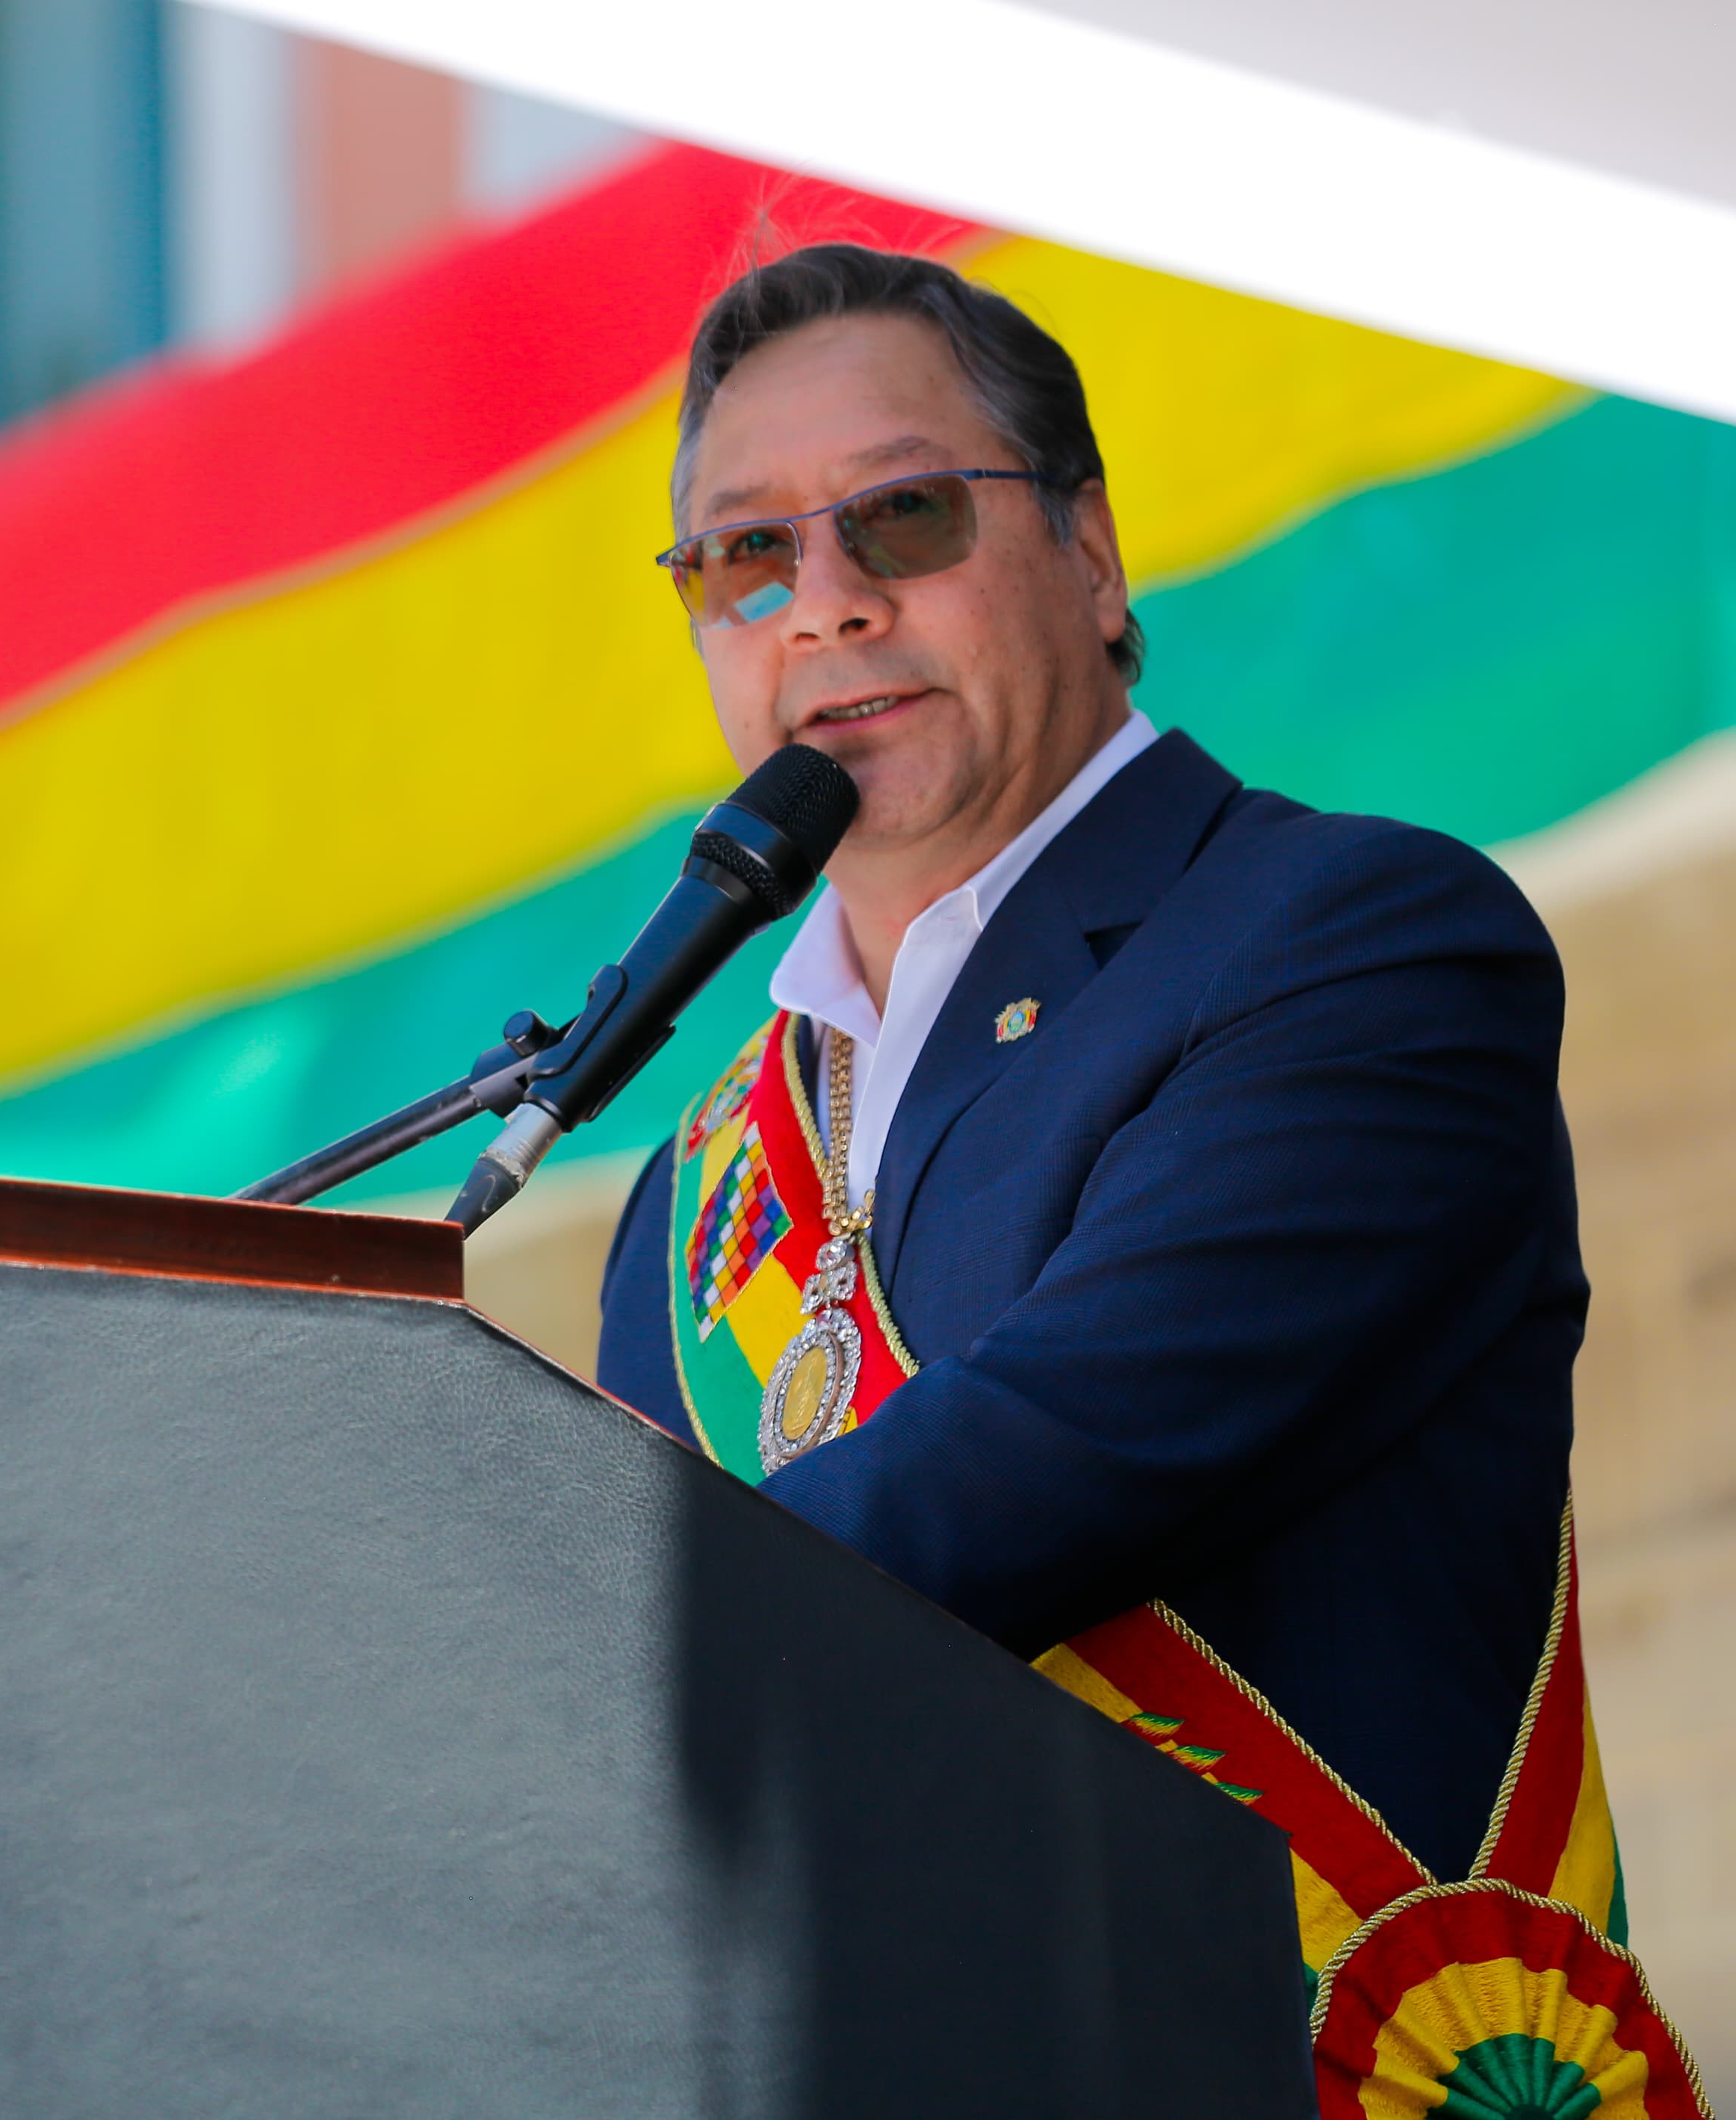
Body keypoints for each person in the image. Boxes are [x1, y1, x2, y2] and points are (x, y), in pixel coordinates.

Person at [596, 244, 1703, 2107]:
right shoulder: (684, 1195)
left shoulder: (1351, 939)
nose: (825, 601)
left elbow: (1056, 1449)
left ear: (1092, 554)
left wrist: (515, 1660)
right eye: (744, 557)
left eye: (903, 515)